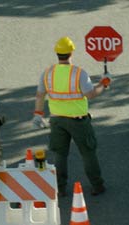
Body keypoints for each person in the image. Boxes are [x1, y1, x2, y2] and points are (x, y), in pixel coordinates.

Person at [32, 36, 112, 197]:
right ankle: (97, 185)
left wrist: (38, 114)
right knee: (88, 153)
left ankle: (60, 188)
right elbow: (90, 94)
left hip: (56, 121)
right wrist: (103, 84)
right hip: (79, 121)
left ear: (57, 53)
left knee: (60, 155)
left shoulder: (47, 73)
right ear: (71, 53)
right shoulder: (79, 73)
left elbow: (40, 95)